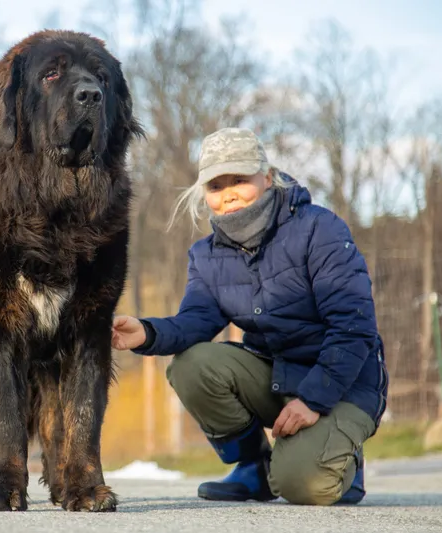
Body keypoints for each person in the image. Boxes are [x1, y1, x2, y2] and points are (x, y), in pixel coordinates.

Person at [111, 127, 388, 506]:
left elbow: (354, 329)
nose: (228, 194)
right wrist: (145, 332)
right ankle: (254, 466)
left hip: (343, 384)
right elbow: (195, 323)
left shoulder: (319, 229)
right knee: (193, 364)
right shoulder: (206, 255)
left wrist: (312, 400)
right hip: (276, 376)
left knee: (306, 487)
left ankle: (343, 464)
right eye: (215, 186)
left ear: (268, 177)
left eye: (239, 180)